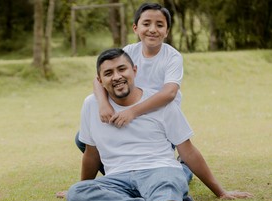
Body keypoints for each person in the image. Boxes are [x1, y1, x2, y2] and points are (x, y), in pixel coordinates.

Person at [66, 48, 252, 201]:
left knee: (166, 186)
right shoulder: (91, 105)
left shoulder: (160, 104)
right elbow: (91, 153)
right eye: (108, 73)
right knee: (76, 195)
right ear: (99, 81)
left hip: (159, 170)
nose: (117, 76)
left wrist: (220, 192)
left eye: (122, 69)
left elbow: (187, 152)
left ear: (135, 70)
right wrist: (86, 187)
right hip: (118, 178)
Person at [76, 3, 193, 184]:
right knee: (82, 139)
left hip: (157, 120)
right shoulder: (130, 51)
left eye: (159, 25)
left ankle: (182, 170)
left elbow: (169, 93)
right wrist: (103, 104)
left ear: (167, 31)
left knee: (156, 163)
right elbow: (98, 78)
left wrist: (133, 111)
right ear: (136, 28)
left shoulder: (172, 57)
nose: (152, 30)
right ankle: (121, 177)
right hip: (128, 112)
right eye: (146, 24)